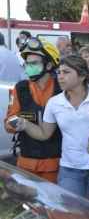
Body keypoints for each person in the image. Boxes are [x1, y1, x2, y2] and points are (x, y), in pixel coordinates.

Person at [14, 54, 89, 206]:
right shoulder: (54, 103)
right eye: (59, 72)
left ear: (81, 76)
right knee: (70, 213)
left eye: (66, 72)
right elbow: (44, 134)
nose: (60, 77)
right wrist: (25, 125)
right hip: (69, 169)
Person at [4, 38, 61, 183]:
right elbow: (8, 122)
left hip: (56, 164)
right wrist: (19, 122)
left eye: (34, 63)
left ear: (49, 65)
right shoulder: (20, 89)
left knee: (55, 205)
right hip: (26, 163)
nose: (29, 67)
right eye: (27, 63)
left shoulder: (62, 89)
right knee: (27, 204)